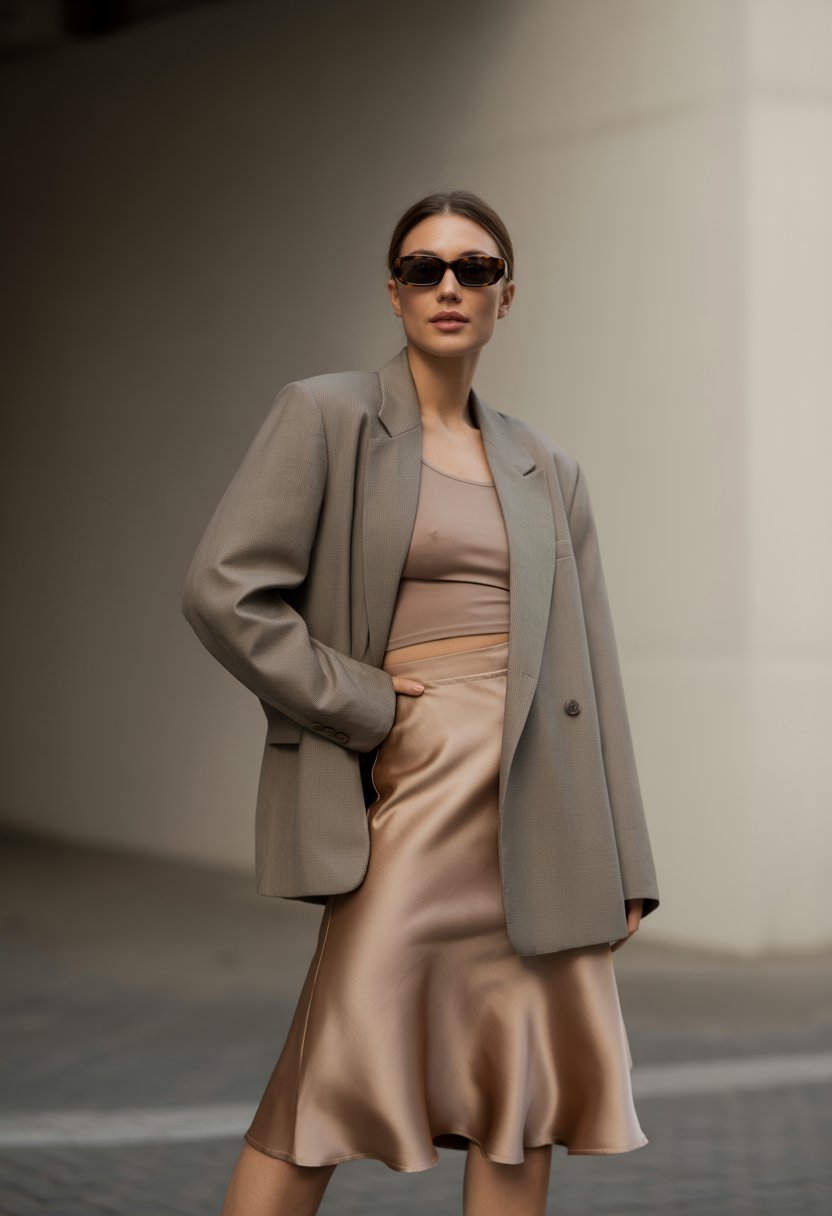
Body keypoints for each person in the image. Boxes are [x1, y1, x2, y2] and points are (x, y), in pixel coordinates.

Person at [181, 189, 660, 1216]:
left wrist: (626, 856)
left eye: (474, 269)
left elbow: (591, 668)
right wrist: (360, 701)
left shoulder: (549, 467)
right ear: (393, 292)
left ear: (505, 297)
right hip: (414, 786)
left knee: (521, 1097)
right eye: (424, 268)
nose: (449, 286)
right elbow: (223, 590)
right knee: (326, 1076)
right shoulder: (327, 415)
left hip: (542, 807)